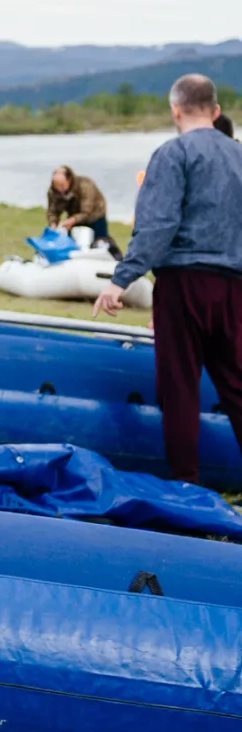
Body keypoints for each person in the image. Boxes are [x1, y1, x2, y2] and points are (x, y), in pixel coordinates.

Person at [95, 75, 242, 487]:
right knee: (238, 388)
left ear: (175, 110)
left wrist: (120, 279)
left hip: (184, 285)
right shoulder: (239, 155)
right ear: (215, 110)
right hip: (234, 288)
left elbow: (158, 226)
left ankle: (186, 483)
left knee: (180, 389)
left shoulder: (172, 154)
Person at [48, 165, 119, 257]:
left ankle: (115, 257)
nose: (59, 188)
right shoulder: (53, 191)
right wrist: (53, 223)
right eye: (56, 185)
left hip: (94, 216)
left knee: (100, 242)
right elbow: (52, 210)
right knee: (72, 243)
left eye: (61, 185)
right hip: (73, 215)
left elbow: (86, 212)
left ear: (69, 180)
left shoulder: (85, 186)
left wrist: (72, 220)